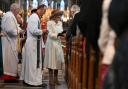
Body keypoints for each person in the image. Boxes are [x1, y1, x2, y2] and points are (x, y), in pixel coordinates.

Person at [20, 4, 47, 86]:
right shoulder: (34, 17)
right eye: (44, 12)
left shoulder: (34, 17)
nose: (44, 14)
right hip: (33, 43)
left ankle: (30, 80)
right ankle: (33, 82)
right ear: (41, 9)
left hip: (35, 43)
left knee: (32, 63)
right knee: (33, 63)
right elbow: (33, 30)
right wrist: (43, 31)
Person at [1, 3, 22, 82]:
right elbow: (10, 30)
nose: (18, 12)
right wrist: (18, 32)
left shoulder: (10, 15)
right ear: (14, 9)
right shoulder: (10, 16)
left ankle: (11, 76)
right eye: (18, 10)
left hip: (10, 41)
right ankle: (9, 78)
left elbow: (15, 26)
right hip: (9, 41)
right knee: (10, 60)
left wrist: (19, 30)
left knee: (11, 60)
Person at [43, 9, 65, 86]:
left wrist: (62, 34)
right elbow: (50, 34)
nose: (60, 17)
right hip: (51, 43)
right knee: (51, 61)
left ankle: (56, 79)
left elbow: (61, 31)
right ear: (54, 16)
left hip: (58, 43)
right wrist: (57, 35)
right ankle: (50, 79)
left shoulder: (60, 23)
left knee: (57, 61)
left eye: (60, 16)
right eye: (58, 16)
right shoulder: (49, 23)